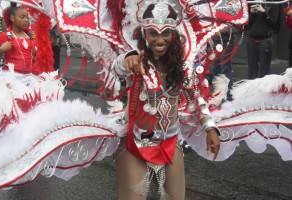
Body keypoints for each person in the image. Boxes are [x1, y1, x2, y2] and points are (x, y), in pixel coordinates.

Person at [111, 3, 220, 200]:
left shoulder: (182, 67)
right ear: (144, 34)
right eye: (153, 34)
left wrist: (210, 128)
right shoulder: (136, 61)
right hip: (135, 144)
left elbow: (196, 98)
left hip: (170, 143)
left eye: (166, 34)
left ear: (174, 35)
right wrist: (128, 57)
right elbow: (116, 68)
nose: (160, 40)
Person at [0, 4, 37, 74]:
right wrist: (0, 51)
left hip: (29, 78)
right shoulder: (4, 36)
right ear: (12, 18)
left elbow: (35, 58)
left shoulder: (30, 36)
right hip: (11, 79)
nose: (26, 20)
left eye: (27, 17)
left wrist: (35, 43)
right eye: (22, 17)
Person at [246, 2, 279, 79]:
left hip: (265, 40)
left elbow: (274, 23)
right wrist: (252, 13)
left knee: (264, 71)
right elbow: (247, 25)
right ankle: (251, 89)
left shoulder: (273, 4)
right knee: (251, 69)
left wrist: (264, 12)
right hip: (252, 40)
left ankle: (263, 90)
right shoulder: (253, 3)